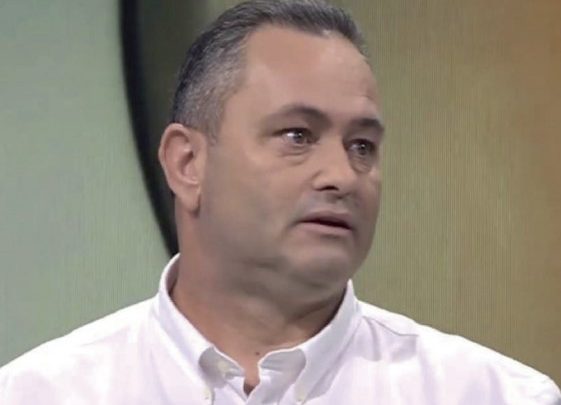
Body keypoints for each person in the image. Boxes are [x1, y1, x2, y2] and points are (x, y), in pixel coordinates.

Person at [1, 0, 560, 403]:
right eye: (297, 135)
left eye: (362, 146)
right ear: (187, 163)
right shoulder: (41, 394)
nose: (342, 175)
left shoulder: (494, 395)